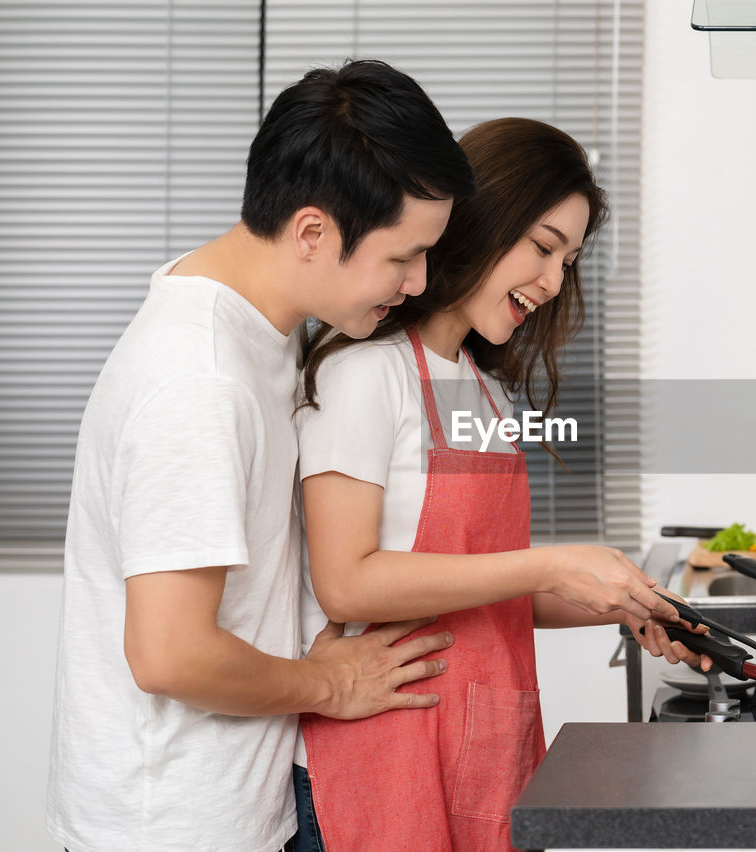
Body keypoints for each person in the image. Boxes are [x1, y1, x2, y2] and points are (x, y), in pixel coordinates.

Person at [45, 59, 479, 852]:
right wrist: (330, 683)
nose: (417, 283)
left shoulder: (255, 320)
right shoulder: (199, 382)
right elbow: (170, 652)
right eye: (401, 257)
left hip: (235, 807)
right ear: (312, 232)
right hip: (175, 831)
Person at [292, 117, 704, 852]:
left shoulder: (485, 394)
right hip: (384, 757)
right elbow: (345, 584)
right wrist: (556, 560)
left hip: (483, 751)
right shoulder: (367, 376)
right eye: (543, 247)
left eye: (568, 262)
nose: (552, 282)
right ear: (481, 218)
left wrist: (627, 604)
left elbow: (487, 591)